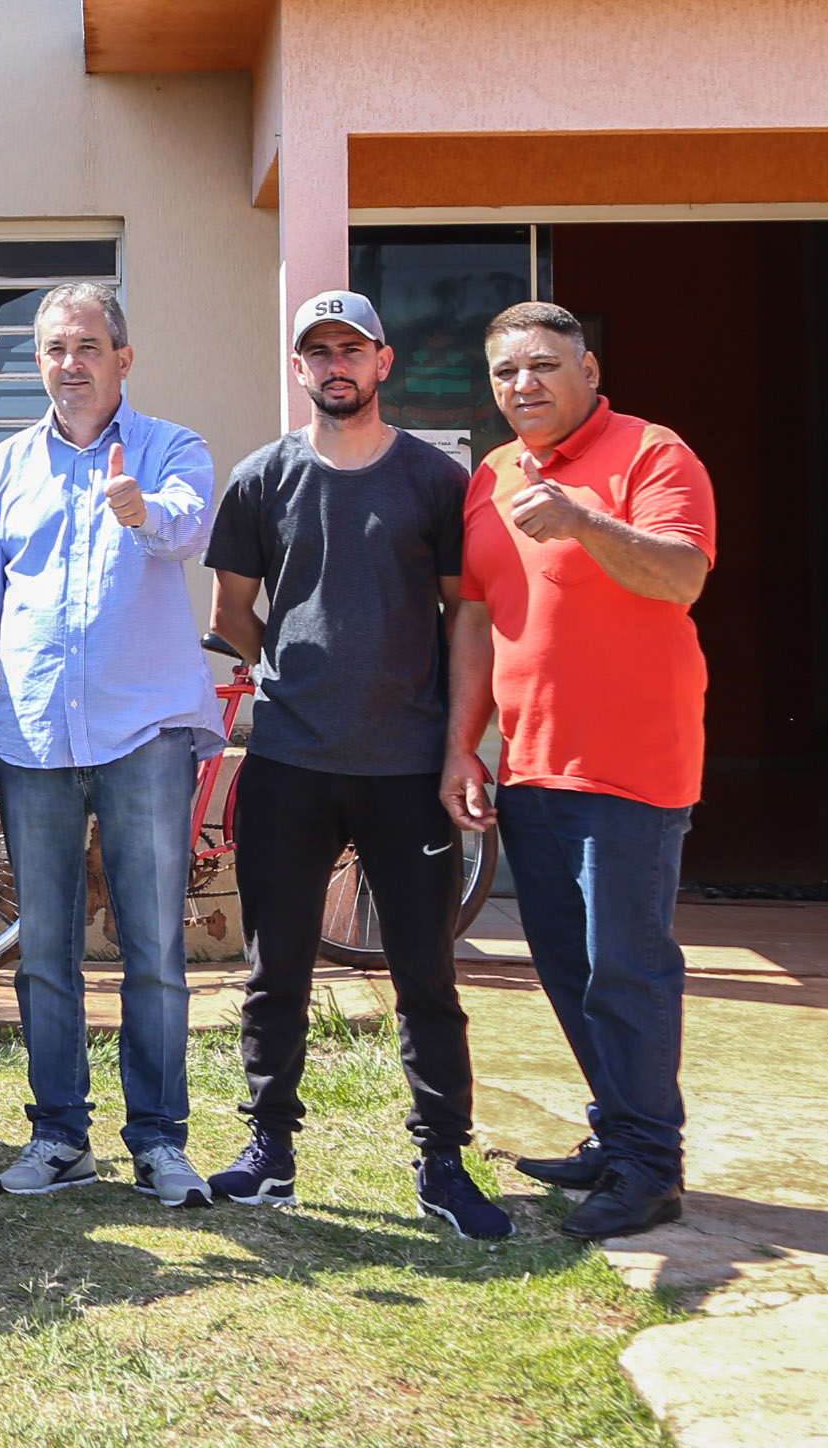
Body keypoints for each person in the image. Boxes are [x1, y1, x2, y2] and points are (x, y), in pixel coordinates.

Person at [201, 292, 508, 1241]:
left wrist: (460, 744)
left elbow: (468, 618)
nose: (334, 365)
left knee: (426, 975)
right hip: (290, 760)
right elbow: (230, 616)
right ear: (299, 370)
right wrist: (296, 671)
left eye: (351, 349)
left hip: (405, 769)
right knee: (274, 969)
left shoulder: (430, 480)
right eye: (316, 352)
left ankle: (443, 1163)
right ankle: (269, 1152)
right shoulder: (262, 479)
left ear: (383, 364)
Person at [0, 280, 224, 1209]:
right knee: (44, 953)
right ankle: (61, 1135)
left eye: (87, 347)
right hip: (29, 738)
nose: (70, 364)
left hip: (144, 734)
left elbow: (189, 528)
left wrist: (138, 510)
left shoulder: (171, 449)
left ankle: (158, 1140)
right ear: (40, 362)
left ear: (123, 358)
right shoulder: (3, 470)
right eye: (54, 349)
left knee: (151, 948)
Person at [450, 300, 716, 1243]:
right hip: (529, 765)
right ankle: (617, 1132)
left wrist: (582, 519)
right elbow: (477, 621)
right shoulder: (489, 477)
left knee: (629, 971)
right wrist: (464, 749)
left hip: (632, 768)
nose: (523, 385)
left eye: (543, 366)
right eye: (505, 372)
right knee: (568, 968)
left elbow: (680, 575)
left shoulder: (653, 452)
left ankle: (652, 1168)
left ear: (589, 372)